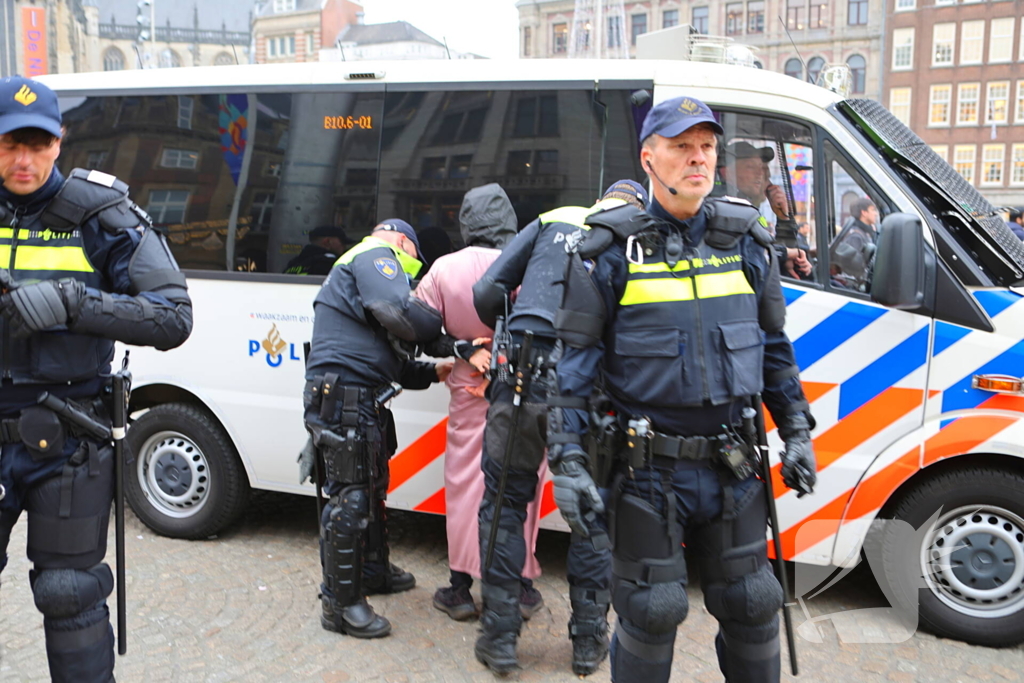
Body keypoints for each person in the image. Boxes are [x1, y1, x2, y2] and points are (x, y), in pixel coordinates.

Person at [550, 95, 817, 683]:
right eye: (680, 147)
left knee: (753, 603)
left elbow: (773, 346)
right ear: (649, 158)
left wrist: (796, 429)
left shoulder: (746, 241)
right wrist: (567, 460)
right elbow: (573, 366)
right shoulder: (608, 250)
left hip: (734, 464)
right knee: (651, 612)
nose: (697, 158)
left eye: (706, 147)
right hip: (648, 471)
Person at [0, 76, 193, 682]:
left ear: (60, 141)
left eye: (35, 143)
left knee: (69, 593)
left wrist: (71, 303)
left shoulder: (99, 212)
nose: (22, 159)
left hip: (67, 440)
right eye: (8, 144)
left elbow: (173, 315)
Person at [470, 179, 648, 676]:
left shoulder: (556, 218)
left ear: (601, 200)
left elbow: (487, 292)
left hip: (521, 375)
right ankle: (589, 644)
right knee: (590, 514)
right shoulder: (642, 235)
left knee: (504, 505)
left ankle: (500, 639)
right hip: (589, 391)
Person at [303, 218, 455, 638]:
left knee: (371, 489)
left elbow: (393, 359)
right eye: (414, 267)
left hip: (358, 394)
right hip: (345, 395)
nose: (411, 276)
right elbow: (397, 312)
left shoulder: (361, 279)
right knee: (350, 500)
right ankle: (340, 605)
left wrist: (440, 369)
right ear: (405, 243)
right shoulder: (375, 254)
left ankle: (372, 571)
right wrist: (441, 332)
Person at [413, 183, 548, 621]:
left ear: (466, 223)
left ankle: (459, 588)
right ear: (509, 221)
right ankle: (521, 585)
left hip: (468, 393)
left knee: (466, 485)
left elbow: (416, 326)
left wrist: (461, 347)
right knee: (521, 484)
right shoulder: (530, 263)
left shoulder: (443, 269)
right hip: (523, 392)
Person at [720, 142, 811, 280]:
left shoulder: (749, 208)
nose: (760, 174)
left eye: (761, 169)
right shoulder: (726, 207)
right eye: (750, 167)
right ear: (727, 173)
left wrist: (783, 219)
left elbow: (770, 249)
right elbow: (750, 252)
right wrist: (785, 253)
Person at [829, 197, 878, 290]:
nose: (875, 213)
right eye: (873, 210)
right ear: (864, 212)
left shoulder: (863, 233)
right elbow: (850, 269)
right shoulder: (856, 236)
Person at [283, 225, 352, 275]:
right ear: (327, 242)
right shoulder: (330, 263)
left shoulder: (293, 263)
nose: (344, 246)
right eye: (342, 242)